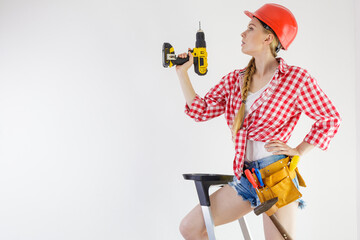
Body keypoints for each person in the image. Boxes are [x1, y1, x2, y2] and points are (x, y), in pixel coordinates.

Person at [175, 3, 341, 240]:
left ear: (268, 38)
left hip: (277, 177)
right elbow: (199, 111)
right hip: (246, 179)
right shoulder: (235, 80)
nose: (243, 34)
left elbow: (330, 118)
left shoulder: (296, 79)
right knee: (190, 227)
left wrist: (299, 151)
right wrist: (182, 74)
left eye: (250, 28)